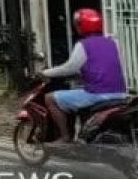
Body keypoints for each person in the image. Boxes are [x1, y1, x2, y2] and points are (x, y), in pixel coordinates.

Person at [40, 8, 129, 142]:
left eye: (77, 24)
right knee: (77, 94)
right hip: (120, 93)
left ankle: (65, 137)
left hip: (97, 95)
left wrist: (45, 72)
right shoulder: (112, 42)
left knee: (50, 98)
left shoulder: (83, 45)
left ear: (81, 26)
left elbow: (69, 68)